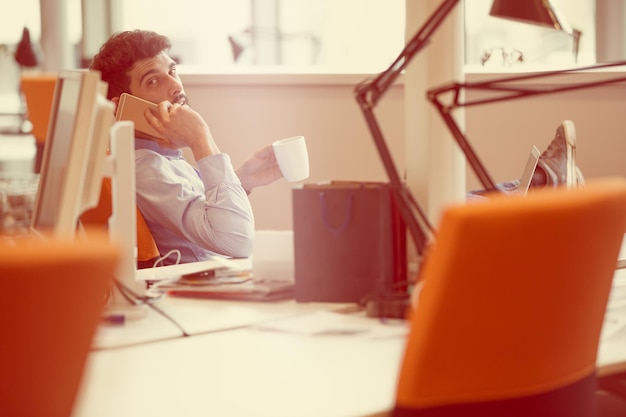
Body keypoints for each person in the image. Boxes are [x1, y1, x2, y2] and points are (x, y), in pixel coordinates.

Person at [89, 30, 282, 265]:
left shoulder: (162, 158)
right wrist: (201, 139)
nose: (175, 87)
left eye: (172, 71)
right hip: (202, 294)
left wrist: (242, 181)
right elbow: (236, 241)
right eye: (153, 80)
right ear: (119, 108)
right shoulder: (146, 168)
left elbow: (202, 215)